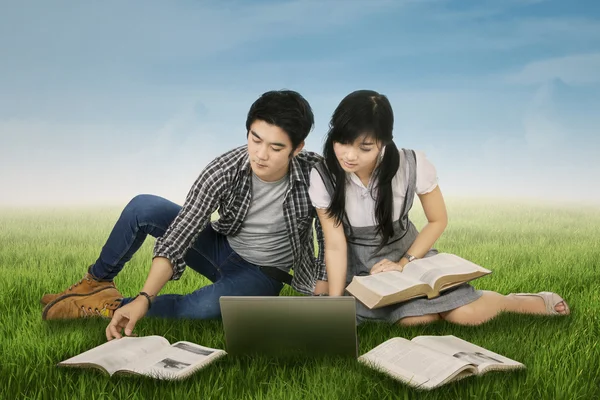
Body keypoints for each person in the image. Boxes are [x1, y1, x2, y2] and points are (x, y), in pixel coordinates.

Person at [41, 90, 329, 340]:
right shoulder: (225, 169)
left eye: (276, 147)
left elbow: (329, 234)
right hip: (221, 246)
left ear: (297, 148)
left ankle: (111, 306)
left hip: (262, 273)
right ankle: (96, 283)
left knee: (205, 308)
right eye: (255, 139)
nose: (261, 154)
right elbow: (180, 235)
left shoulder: (314, 172)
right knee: (144, 207)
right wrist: (147, 294)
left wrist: (323, 280)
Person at [309, 89, 569, 326]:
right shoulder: (323, 176)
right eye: (342, 142)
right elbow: (334, 244)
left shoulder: (412, 165)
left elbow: (438, 220)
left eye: (364, 147)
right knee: (417, 321)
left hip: (411, 257)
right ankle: (425, 308)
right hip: (361, 267)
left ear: (384, 143)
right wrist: (335, 305)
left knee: (467, 316)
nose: (349, 155)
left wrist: (404, 262)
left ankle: (515, 302)